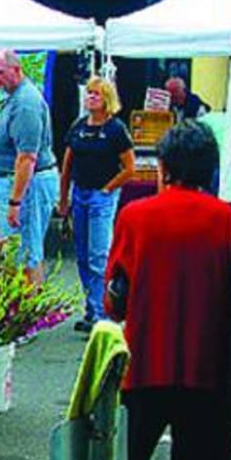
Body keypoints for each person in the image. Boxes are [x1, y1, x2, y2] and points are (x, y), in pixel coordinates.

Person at [105, 121, 231, 460]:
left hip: (144, 374)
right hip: (213, 382)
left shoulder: (135, 218)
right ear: (210, 168)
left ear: (164, 167)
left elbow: (114, 303)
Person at [58, 77, 135, 333]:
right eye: (89, 93)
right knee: (81, 256)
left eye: (97, 95)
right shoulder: (78, 127)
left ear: (107, 100)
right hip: (79, 193)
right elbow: (67, 166)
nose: (90, 98)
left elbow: (129, 168)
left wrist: (108, 188)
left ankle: (103, 313)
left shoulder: (116, 129)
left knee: (98, 256)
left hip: (101, 197)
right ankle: (91, 308)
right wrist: (64, 199)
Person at [0, 49, 58, 286]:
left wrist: (15, 202)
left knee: (25, 253)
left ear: (16, 70)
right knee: (18, 252)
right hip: (17, 182)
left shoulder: (26, 103)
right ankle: (20, 314)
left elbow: (27, 158)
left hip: (27, 186)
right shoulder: (16, 97)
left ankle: (25, 318)